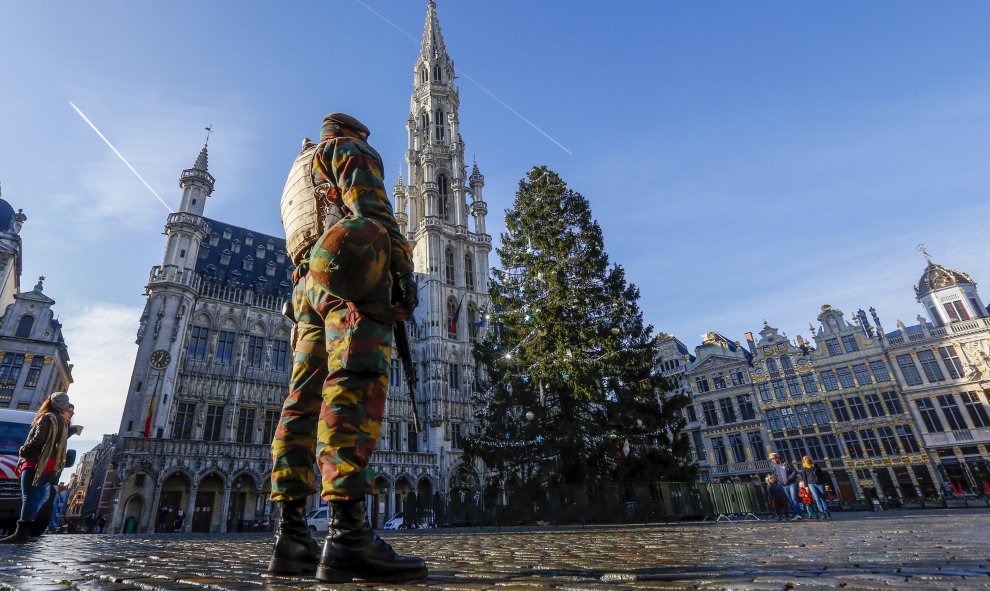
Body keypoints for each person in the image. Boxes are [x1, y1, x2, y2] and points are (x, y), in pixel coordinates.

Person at [268, 113, 425, 583]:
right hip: (349, 279)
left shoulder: (297, 172)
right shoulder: (347, 150)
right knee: (353, 385)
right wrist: (400, 275)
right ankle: (347, 536)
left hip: (305, 290)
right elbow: (374, 216)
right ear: (353, 133)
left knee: (302, 401)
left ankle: (291, 536)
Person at [1, 392, 74, 544]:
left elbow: (38, 439)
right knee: (38, 497)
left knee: (29, 497)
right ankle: (26, 530)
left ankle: (21, 533)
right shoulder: (63, 421)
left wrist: (23, 450)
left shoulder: (47, 417)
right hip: (50, 464)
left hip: (36, 461)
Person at [768, 452, 802, 520]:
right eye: (772, 460)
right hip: (784, 485)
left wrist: (789, 478)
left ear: (777, 457)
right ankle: (795, 514)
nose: (773, 461)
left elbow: (794, 471)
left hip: (792, 483)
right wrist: (779, 481)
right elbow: (775, 475)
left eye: (773, 459)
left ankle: (798, 514)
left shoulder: (785, 463)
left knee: (794, 499)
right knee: (790, 500)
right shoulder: (775, 466)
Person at [799, 455, 832, 520]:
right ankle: (822, 513)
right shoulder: (803, 467)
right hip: (811, 483)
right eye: (804, 459)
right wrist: (806, 486)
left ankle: (827, 513)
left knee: (822, 498)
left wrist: (825, 483)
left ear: (809, 459)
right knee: (816, 498)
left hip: (819, 483)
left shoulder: (815, 465)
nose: (806, 460)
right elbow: (804, 477)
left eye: (807, 459)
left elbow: (821, 474)